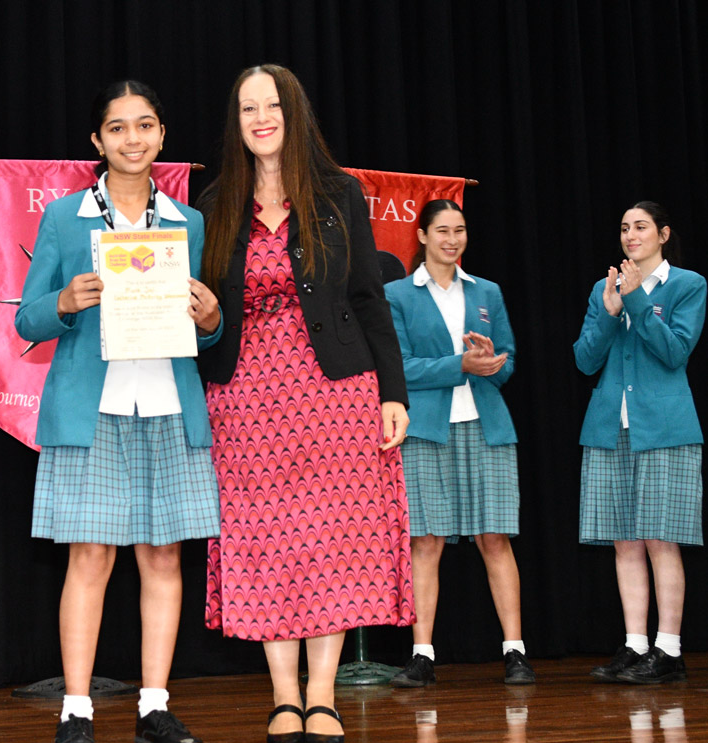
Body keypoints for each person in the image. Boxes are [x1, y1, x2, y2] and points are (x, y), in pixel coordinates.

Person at [199, 63, 414, 743]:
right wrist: (204, 317)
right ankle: (283, 694)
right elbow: (207, 312)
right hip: (245, 399)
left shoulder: (338, 193)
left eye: (272, 106)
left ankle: (322, 693)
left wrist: (393, 392)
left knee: (330, 544)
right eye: (246, 109)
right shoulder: (213, 204)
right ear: (235, 124)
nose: (260, 119)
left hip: (334, 392)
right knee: (265, 543)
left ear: (294, 114)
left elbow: (367, 297)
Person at [15, 80, 223, 743]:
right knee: (91, 556)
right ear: (97, 142)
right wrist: (66, 301)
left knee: (163, 558)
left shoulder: (189, 224)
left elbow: (213, 331)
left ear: (162, 136)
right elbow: (26, 317)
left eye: (145, 126)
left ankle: (153, 705)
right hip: (92, 408)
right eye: (118, 128)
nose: (132, 138)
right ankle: (77, 708)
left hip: (169, 403)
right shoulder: (64, 217)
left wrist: (212, 317)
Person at [384, 199, 535, 687]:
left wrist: (493, 360)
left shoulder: (487, 291)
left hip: (487, 427)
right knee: (425, 542)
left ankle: (515, 651)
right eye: (442, 231)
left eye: (460, 230)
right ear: (422, 236)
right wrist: (459, 366)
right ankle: (422, 654)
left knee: (494, 538)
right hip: (426, 431)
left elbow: (509, 363)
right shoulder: (398, 295)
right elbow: (398, 368)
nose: (452, 239)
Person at [574, 201, 705, 684]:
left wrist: (633, 303)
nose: (631, 235)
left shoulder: (688, 285)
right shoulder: (602, 289)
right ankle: (635, 646)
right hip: (611, 427)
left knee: (660, 539)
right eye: (625, 227)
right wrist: (610, 311)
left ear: (663, 234)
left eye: (641, 227)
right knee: (624, 542)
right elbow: (585, 360)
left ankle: (669, 651)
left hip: (665, 429)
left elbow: (675, 352)